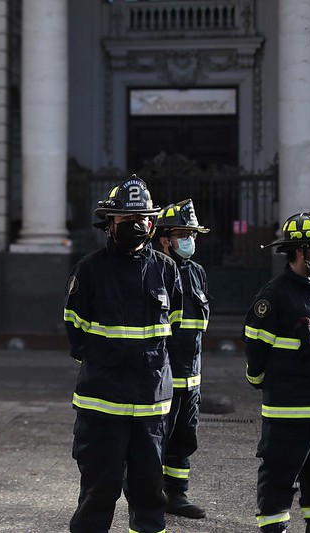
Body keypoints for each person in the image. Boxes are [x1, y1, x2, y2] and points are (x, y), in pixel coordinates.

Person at [63, 175, 183, 533]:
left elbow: (174, 329)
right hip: (102, 406)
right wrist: (107, 363)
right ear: (110, 223)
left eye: (142, 217)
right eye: (127, 218)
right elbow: (75, 332)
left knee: (150, 496)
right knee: (98, 493)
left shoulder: (166, 270)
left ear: (152, 222)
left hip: (150, 407)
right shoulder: (89, 270)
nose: (136, 224)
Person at [244, 207, 310, 533]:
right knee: (280, 473)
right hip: (289, 408)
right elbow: (256, 347)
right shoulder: (274, 294)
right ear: (300, 251)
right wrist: (258, 379)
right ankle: (274, 527)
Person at [154, 199, 211, 519]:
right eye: (183, 234)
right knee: (154, 440)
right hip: (161, 375)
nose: (190, 240)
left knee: (184, 438)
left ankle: (176, 495)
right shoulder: (155, 270)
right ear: (165, 239)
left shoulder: (198, 273)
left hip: (191, 376)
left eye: (192, 234)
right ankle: (149, 493)